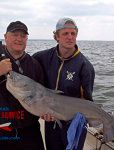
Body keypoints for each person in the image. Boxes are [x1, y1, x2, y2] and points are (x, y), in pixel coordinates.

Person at [32, 18, 95, 150]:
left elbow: (87, 101)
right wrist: (1, 50)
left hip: (74, 124)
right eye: (65, 33)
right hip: (51, 122)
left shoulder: (85, 66)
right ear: (56, 37)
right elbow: (22, 62)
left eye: (73, 33)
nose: (70, 37)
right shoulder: (42, 57)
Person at [0, 21, 45, 150]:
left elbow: (43, 97)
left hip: (29, 128)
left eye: (23, 36)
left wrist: (46, 113)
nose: (19, 39)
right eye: (15, 34)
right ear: (6, 36)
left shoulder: (35, 65)